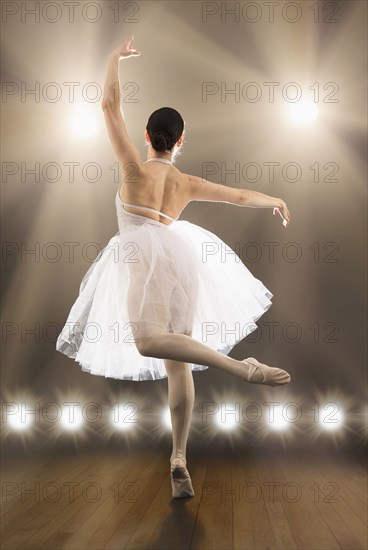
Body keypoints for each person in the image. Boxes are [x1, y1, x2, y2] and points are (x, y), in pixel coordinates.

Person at [56, 36, 292, 499]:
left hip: (142, 259)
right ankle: (179, 460)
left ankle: (241, 368)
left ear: (147, 137)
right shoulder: (185, 182)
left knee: (148, 343)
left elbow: (108, 106)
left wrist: (112, 58)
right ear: (180, 141)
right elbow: (240, 196)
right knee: (176, 363)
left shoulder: (133, 170)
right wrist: (276, 200)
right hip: (180, 261)